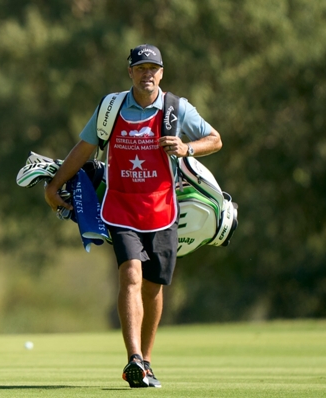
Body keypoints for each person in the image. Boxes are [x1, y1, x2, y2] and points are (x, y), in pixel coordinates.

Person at [44, 44, 222, 388]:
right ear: (130, 72)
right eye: (140, 68)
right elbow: (84, 148)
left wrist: (187, 148)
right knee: (131, 275)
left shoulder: (175, 108)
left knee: (154, 288)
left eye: (153, 68)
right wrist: (55, 185)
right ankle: (134, 359)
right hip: (119, 207)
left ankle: (148, 361)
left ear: (162, 73)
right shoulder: (110, 108)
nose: (147, 74)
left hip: (163, 210)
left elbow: (215, 139)